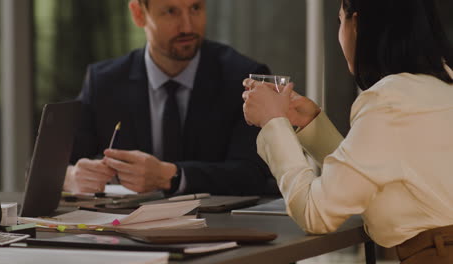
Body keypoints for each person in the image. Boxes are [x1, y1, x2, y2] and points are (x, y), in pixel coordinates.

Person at [242, 0, 453, 263]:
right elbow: (379, 174)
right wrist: (311, 125)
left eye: (340, 20)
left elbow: (316, 213)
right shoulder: (441, 85)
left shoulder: (387, 101)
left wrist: (273, 123)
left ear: (357, 23)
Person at [63, 0, 272, 196]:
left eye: (196, 8)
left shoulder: (242, 79)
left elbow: (254, 174)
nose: (188, 27)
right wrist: (72, 177)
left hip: (218, 229)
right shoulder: (104, 82)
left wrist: (171, 176)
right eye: (171, 11)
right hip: (125, 229)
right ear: (138, 14)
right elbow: (48, 167)